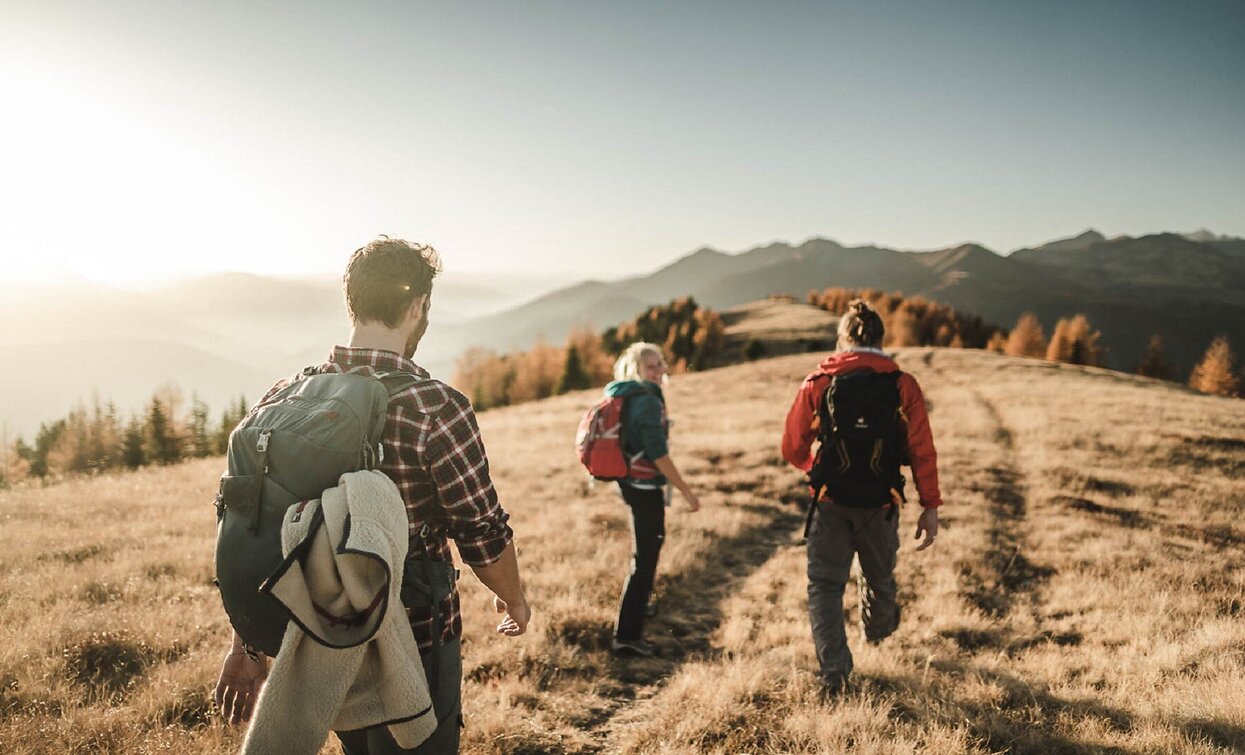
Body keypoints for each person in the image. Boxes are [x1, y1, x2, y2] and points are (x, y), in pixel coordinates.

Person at [215, 237, 531, 753]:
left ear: (353, 302)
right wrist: (513, 597)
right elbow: (483, 532)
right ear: (417, 307)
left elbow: (256, 532)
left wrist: (247, 645)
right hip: (414, 642)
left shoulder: (283, 397)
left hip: (321, 642)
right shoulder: (435, 408)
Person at [781, 300, 941, 697]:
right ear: (881, 339)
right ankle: (879, 626)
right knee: (880, 578)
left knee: (824, 585)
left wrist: (815, 471)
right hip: (881, 503)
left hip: (831, 500)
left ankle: (834, 672)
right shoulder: (903, 385)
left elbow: (792, 446)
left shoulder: (818, 381)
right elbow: (922, 449)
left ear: (843, 338)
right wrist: (930, 506)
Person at [604, 342, 701, 657]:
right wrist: (686, 489)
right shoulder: (645, 401)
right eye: (651, 366)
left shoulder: (630, 395)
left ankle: (639, 609)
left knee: (645, 553)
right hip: (643, 486)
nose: (659, 371)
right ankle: (627, 636)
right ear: (637, 370)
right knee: (645, 558)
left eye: (660, 364)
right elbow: (658, 454)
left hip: (631, 482)